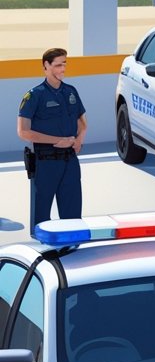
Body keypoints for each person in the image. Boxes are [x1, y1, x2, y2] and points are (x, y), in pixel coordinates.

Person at [17, 48, 86, 233]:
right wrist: (57, 140)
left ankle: (72, 249)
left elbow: (82, 122)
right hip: (45, 162)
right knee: (41, 216)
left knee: (73, 214)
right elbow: (23, 131)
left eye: (64, 64)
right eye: (57, 65)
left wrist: (79, 139)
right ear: (46, 66)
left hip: (70, 161)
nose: (62, 69)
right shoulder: (34, 96)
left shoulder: (70, 91)